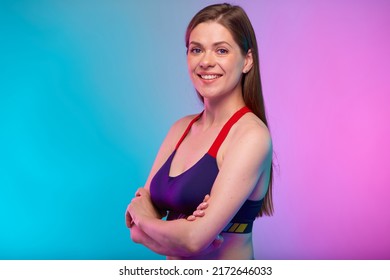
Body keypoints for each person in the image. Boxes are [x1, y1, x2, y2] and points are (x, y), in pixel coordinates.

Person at [125, 3, 273, 260]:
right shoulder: (181, 128)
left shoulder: (251, 137)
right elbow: (134, 233)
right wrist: (174, 230)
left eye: (221, 50)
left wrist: (143, 216)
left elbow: (193, 241)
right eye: (196, 50)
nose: (206, 61)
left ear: (247, 60)